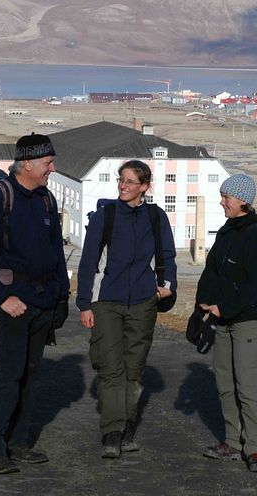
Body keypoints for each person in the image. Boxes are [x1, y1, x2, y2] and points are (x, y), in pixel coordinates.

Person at [0, 133, 70, 475]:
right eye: (47, 164)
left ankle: (19, 443)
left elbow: (56, 252)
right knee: (10, 374)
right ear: (26, 164)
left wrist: (62, 297)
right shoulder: (0, 198)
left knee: (31, 375)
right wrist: (3, 298)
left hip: (44, 303)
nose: (52, 170)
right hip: (15, 305)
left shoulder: (46, 200)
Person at [76, 159, 177, 459]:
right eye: (121, 180)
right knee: (110, 368)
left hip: (144, 304)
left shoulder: (156, 217)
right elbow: (88, 261)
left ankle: (126, 427)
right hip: (106, 302)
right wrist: (84, 304)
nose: (123, 186)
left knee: (133, 371)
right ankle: (112, 432)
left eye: (130, 182)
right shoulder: (105, 216)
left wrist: (166, 285)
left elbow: (167, 255)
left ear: (145, 186)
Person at [196, 173, 257, 473]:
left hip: (249, 322)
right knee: (225, 381)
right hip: (222, 318)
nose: (221, 202)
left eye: (226, 197)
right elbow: (212, 272)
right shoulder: (227, 232)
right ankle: (232, 441)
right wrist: (200, 307)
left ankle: (255, 448)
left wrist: (223, 307)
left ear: (243, 200)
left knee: (247, 383)